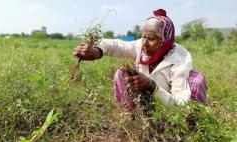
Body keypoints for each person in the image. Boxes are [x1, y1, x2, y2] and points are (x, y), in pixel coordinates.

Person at [74, 9, 207, 111]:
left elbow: (181, 103)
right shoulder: (141, 46)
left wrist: (151, 86)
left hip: (169, 106)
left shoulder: (180, 60)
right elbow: (115, 45)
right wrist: (97, 51)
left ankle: (191, 125)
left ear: (165, 41)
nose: (144, 43)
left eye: (151, 39)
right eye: (144, 36)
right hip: (146, 99)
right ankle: (132, 116)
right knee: (121, 73)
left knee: (196, 80)